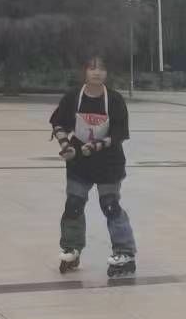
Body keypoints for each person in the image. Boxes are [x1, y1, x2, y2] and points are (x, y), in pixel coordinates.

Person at [49, 54, 136, 277]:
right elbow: (58, 123)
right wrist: (66, 145)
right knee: (74, 204)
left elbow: (120, 133)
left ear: (107, 73)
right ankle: (71, 247)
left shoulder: (114, 100)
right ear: (84, 72)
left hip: (109, 162)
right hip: (79, 161)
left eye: (101, 68)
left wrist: (97, 145)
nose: (97, 72)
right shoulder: (73, 97)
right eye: (92, 68)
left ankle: (124, 251)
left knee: (110, 205)